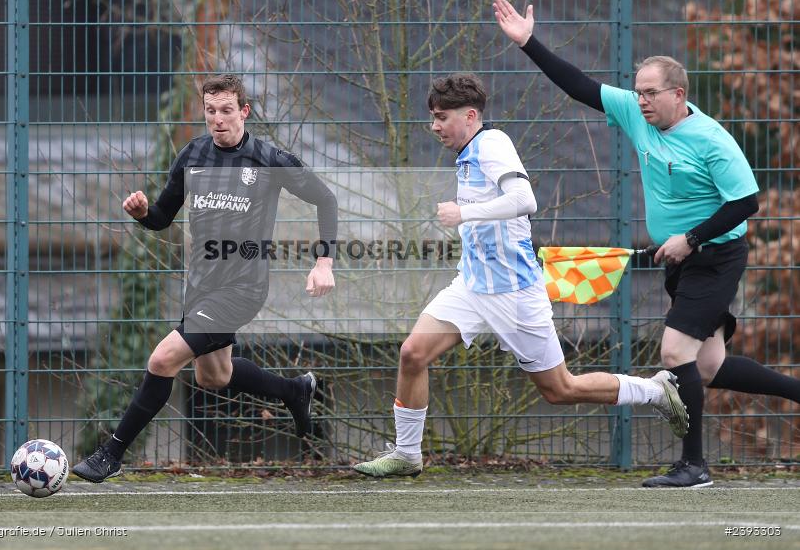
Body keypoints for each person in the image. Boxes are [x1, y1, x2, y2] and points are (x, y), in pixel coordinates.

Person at [493, 0, 800, 487]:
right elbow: (580, 86)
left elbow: (746, 204)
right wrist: (528, 41)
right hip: (682, 259)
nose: (641, 101)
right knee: (710, 366)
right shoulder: (638, 116)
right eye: (638, 93)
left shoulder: (712, 140)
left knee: (675, 354)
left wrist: (691, 238)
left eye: (651, 94)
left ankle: (694, 467)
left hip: (716, 255)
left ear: (678, 95)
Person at [352, 73, 688, 479]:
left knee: (559, 389)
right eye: (433, 118)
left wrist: (465, 213)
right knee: (412, 354)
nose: (435, 126)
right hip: (472, 287)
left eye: (442, 117)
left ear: (471, 115)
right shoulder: (470, 151)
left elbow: (524, 199)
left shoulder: (492, 145)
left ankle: (655, 390)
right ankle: (407, 454)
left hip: (514, 294)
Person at [73, 74, 338, 483]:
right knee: (213, 376)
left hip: (243, 287)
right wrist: (143, 212)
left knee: (162, 360)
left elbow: (326, 198)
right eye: (210, 111)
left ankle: (111, 453)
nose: (218, 119)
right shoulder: (193, 155)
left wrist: (324, 262)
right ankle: (293, 391)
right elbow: (162, 218)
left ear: (244, 112)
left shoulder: (267, 160)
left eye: (227, 111)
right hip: (200, 286)